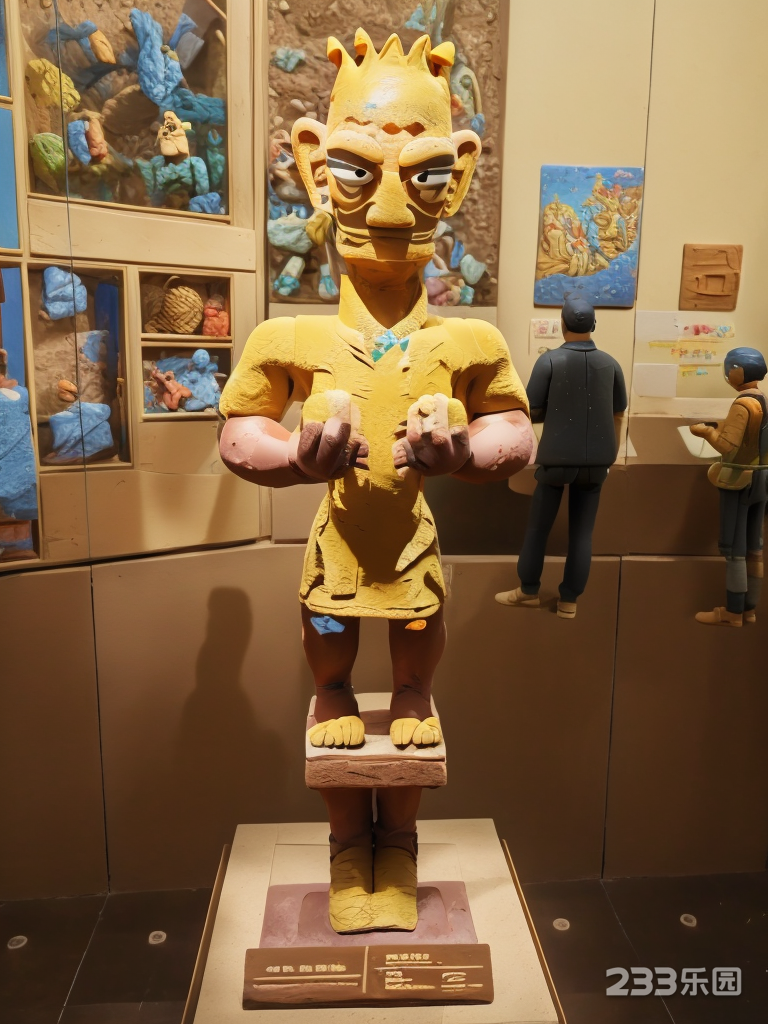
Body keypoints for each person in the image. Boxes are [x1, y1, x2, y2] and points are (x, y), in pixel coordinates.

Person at [218, 28, 534, 933]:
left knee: (417, 647)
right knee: (329, 636)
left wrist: (466, 452)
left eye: (424, 177)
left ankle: (397, 831)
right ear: (315, 165)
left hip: (411, 545)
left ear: (459, 175)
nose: (393, 210)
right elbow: (239, 430)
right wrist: (294, 457)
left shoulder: (469, 342)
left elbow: (515, 426)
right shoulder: (290, 339)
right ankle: (342, 818)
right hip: (339, 543)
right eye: (360, 172)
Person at [495, 296, 626, 618]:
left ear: (562, 325)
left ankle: (528, 590)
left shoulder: (549, 361)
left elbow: (532, 410)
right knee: (582, 534)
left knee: (538, 529)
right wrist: (610, 453)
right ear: (594, 325)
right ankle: (569, 601)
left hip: (556, 460)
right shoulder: (611, 364)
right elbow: (618, 413)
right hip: (597, 463)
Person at [691, 347, 768, 626]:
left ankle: (733, 611)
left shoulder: (742, 404)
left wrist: (706, 432)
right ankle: (750, 609)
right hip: (762, 479)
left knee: (736, 548)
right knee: (755, 547)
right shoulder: (762, 400)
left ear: (737, 371)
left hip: (739, 480)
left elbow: (727, 446)